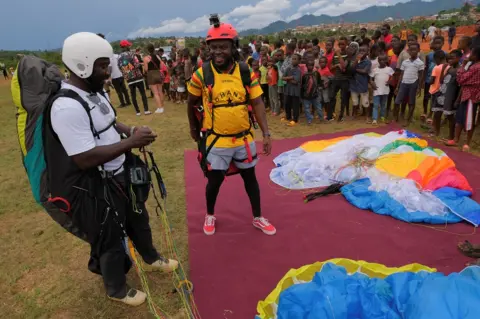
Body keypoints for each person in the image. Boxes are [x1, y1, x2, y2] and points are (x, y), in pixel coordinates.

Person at [50, 32, 178, 306]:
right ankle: (116, 288)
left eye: (107, 64)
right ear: (81, 64)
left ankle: (151, 257)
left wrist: (130, 130)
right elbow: (83, 158)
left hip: (120, 173)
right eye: (102, 66)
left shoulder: (94, 92)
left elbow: (109, 123)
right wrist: (131, 142)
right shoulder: (66, 107)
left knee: (137, 218)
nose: (108, 72)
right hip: (97, 185)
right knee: (109, 235)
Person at [186, 17, 275, 236]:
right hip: (217, 140)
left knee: (250, 179)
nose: (218, 52)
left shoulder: (246, 72)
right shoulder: (201, 74)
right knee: (214, 181)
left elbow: (257, 102)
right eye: (213, 47)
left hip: (243, 139)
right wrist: (194, 129)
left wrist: (265, 132)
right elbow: (191, 101)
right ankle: (210, 214)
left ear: (232, 47)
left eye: (223, 47)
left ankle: (258, 217)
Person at [453, 46, 480, 152]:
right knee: (460, 117)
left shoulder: (476, 67)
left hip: (471, 96)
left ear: (476, 56)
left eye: (472, 54)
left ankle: (466, 142)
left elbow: (461, 79)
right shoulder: (474, 66)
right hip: (467, 95)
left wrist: (463, 66)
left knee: (469, 119)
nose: (469, 56)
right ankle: (457, 139)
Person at [394, 43, 425, 126]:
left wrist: (419, 87)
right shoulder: (405, 62)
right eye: (410, 50)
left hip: (413, 84)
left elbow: (421, 76)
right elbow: (401, 74)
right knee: (397, 101)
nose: (412, 51)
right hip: (404, 83)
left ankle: (408, 120)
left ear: (418, 51)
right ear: (408, 51)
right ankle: (396, 118)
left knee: (411, 102)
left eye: (414, 50)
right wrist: (397, 86)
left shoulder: (420, 63)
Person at [118, 40, 150, 116]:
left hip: (129, 78)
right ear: (126, 46)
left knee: (133, 95)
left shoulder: (119, 57)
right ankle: (146, 110)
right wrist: (138, 65)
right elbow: (137, 64)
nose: (130, 46)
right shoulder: (132, 54)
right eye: (128, 45)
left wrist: (126, 72)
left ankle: (137, 111)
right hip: (137, 76)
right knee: (143, 93)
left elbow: (119, 67)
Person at [423, 35, 445, 123]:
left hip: (438, 82)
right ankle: (425, 112)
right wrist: (423, 80)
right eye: (435, 43)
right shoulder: (429, 55)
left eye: (439, 43)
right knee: (426, 97)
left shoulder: (445, 55)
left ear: (443, 43)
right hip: (429, 80)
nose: (437, 45)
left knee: (435, 98)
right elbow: (426, 68)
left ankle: (431, 113)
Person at [329, 36, 351, 122]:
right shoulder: (335, 54)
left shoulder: (348, 54)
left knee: (343, 98)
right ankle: (331, 115)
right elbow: (331, 67)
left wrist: (338, 55)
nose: (341, 46)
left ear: (346, 45)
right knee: (331, 96)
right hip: (336, 78)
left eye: (343, 44)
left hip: (344, 79)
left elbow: (343, 67)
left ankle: (341, 116)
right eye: (340, 44)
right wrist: (336, 65)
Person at [429, 51, 448, 138]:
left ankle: (435, 129)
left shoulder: (436, 67)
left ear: (437, 59)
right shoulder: (449, 67)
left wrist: (429, 81)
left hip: (436, 91)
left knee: (436, 111)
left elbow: (432, 80)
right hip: (444, 92)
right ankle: (434, 126)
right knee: (440, 110)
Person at [371, 54, 394, 125]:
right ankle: (374, 119)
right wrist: (372, 84)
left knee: (383, 104)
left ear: (386, 60)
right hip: (376, 90)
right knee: (375, 105)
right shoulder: (375, 70)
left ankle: (382, 116)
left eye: (384, 60)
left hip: (385, 90)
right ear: (378, 61)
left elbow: (393, 76)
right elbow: (370, 79)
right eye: (380, 60)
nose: (382, 61)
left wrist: (390, 81)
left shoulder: (389, 69)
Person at [350, 44, 371, 120]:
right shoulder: (356, 60)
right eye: (360, 50)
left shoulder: (368, 62)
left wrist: (356, 70)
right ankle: (354, 114)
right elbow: (351, 69)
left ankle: (367, 116)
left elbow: (365, 71)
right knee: (354, 101)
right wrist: (356, 61)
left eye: (363, 51)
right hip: (354, 84)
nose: (361, 52)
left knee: (365, 101)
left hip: (363, 85)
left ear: (367, 52)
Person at [143, 43, 166, 114]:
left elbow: (146, 69)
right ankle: (162, 106)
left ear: (147, 50)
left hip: (151, 74)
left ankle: (159, 108)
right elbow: (161, 65)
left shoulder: (146, 58)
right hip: (158, 73)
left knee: (155, 93)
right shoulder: (157, 56)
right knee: (160, 91)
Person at [282, 53, 302, 126]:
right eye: (292, 59)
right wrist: (291, 77)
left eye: (295, 59)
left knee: (295, 106)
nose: (293, 60)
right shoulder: (288, 68)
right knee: (287, 104)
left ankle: (295, 119)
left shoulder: (298, 70)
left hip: (295, 91)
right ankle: (288, 117)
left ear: (299, 61)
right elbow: (282, 78)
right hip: (288, 90)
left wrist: (288, 79)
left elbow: (296, 81)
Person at [301, 59, 322, 124]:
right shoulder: (304, 75)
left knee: (318, 107)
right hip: (306, 95)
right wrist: (302, 95)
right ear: (306, 66)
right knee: (307, 108)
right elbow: (302, 85)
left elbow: (319, 82)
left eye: (312, 65)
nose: (311, 66)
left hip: (315, 95)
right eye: (309, 65)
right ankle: (309, 120)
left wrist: (318, 90)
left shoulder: (316, 73)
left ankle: (321, 118)